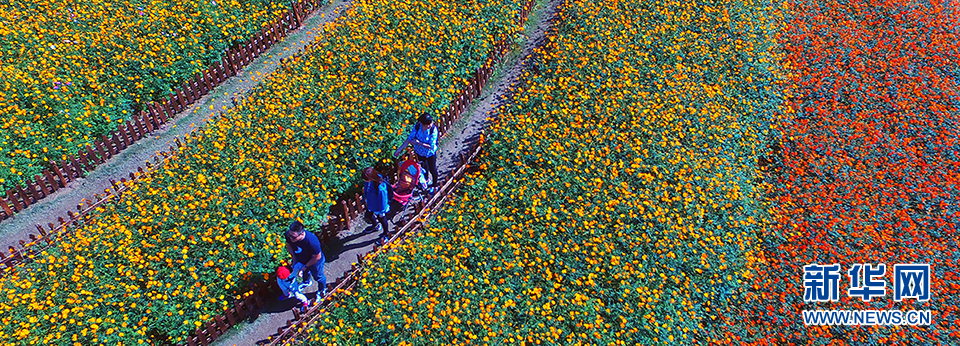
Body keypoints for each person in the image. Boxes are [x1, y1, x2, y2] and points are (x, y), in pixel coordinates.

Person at [394, 112, 439, 188]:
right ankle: (426, 181)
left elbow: (431, 146)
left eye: (431, 123)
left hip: (430, 153)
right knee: (424, 168)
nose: (430, 125)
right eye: (428, 124)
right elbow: (409, 139)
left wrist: (418, 142)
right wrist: (399, 150)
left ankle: (434, 184)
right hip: (420, 152)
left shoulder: (433, 130)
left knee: (432, 169)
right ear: (422, 124)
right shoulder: (417, 127)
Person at [285, 221, 326, 297]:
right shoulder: (290, 235)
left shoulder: (312, 242)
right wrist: (294, 257)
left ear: (302, 234)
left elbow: (317, 257)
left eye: (293, 237)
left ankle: (322, 290)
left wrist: (305, 266)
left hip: (315, 262)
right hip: (302, 258)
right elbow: (289, 245)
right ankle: (307, 282)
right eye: (289, 235)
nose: (290, 238)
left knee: (318, 276)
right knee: (305, 273)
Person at [363, 167, 391, 242]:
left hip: (378, 207)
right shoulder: (369, 181)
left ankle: (386, 233)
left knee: (382, 219)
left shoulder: (380, 187)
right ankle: (375, 226)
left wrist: (382, 211)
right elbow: (366, 189)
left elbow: (383, 200)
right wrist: (365, 198)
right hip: (371, 203)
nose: (365, 181)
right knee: (368, 215)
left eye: (366, 179)